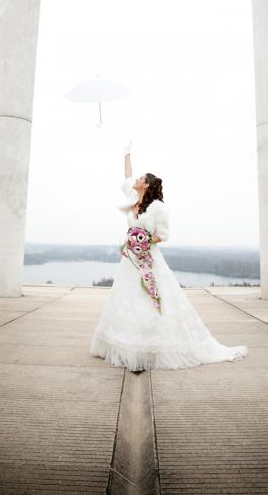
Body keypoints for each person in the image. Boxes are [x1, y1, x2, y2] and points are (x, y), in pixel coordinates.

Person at [89, 141, 249, 371]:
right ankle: (124, 345)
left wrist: (142, 243)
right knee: (127, 299)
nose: (135, 180)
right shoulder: (132, 199)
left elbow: (163, 235)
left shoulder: (158, 208)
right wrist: (126, 154)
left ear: (147, 185)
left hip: (148, 259)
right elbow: (126, 175)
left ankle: (151, 348)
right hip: (129, 261)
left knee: (150, 299)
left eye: (140, 179)